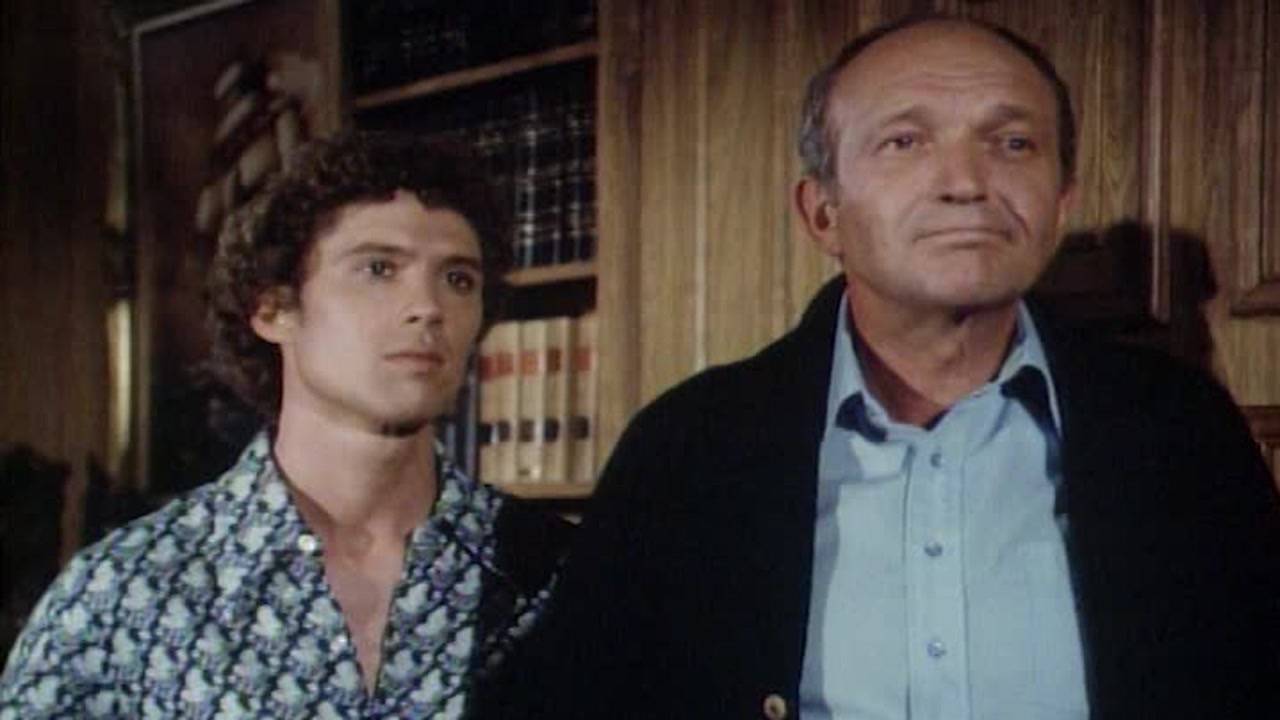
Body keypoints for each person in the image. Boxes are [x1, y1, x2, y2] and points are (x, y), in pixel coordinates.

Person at [477, 14, 1280, 719]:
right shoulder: (687, 450)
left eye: (1013, 143)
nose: (966, 183)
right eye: (905, 141)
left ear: (1061, 204)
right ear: (822, 212)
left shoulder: (1181, 433)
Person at [0, 131, 574, 718]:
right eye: (379, 269)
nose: (428, 307)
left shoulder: (557, 577)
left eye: (458, 279)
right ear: (274, 310)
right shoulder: (124, 594)